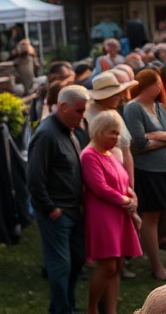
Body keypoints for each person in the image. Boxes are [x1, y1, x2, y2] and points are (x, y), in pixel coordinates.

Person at [28, 84, 90, 314]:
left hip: (73, 210)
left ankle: (67, 306)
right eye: (79, 111)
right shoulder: (46, 134)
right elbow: (34, 179)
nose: (83, 116)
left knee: (77, 260)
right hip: (57, 213)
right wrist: (51, 208)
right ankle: (61, 310)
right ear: (63, 107)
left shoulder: (69, 129)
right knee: (61, 265)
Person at [81, 110, 141, 314]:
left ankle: (111, 310)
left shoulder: (109, 154)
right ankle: (92, 309)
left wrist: (132, 201)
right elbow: (100, 187)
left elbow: (123, 181)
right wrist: (127, 201)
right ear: (99, 131)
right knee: (107, 266)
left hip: (118, 214)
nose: (117, 138)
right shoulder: (90, 155)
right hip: (102, 216)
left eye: (118, 133)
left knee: (117, 266)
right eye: (112, 133)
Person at [123, 69, 166, 280]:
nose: (160, 88)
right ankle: (157, 267)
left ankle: (154, 254)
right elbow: (139, 143)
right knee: (152, 216)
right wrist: (162, 138)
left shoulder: (157, 106)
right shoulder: (133, 108)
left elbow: (149, 139)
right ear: (149, 85)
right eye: (157, 83)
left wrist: (156, 136)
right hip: (149, 171)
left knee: (161, 215)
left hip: (163, 169)